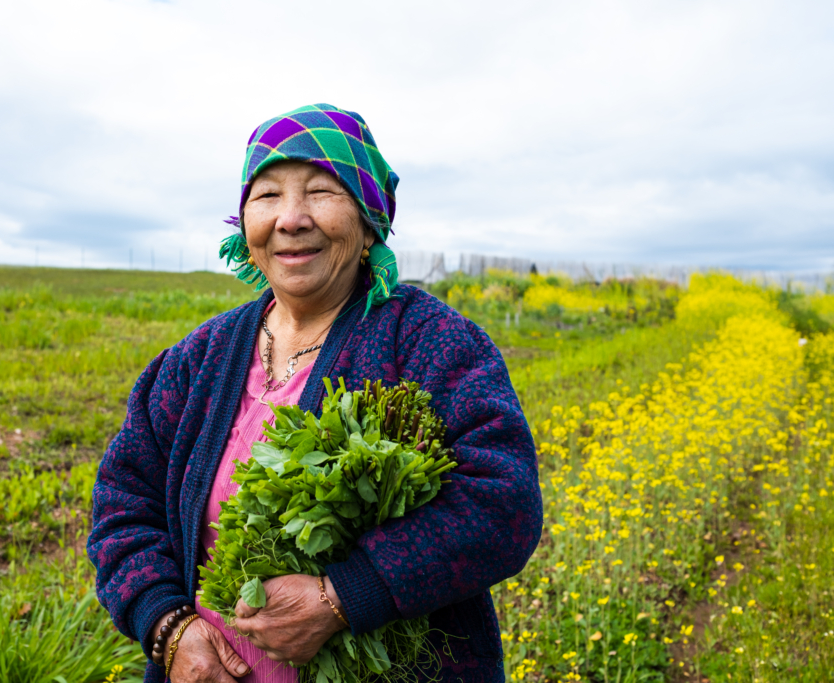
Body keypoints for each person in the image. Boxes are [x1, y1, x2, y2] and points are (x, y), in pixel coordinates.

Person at [87, 103, 542, 683]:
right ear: (244, 220)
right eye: (268, 194)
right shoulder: (198, 358)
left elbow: (503, 503)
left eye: (322, 191)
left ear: (368, 218)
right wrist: (170, 627)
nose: (291, 218)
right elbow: (123, 502)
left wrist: (344, 597)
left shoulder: (432, 343)